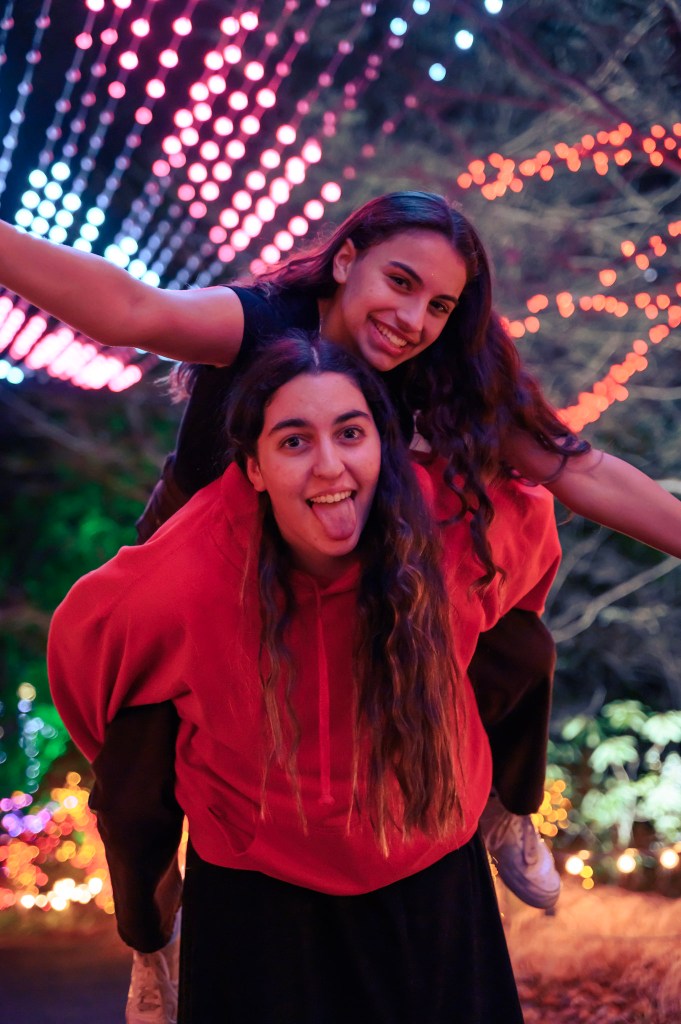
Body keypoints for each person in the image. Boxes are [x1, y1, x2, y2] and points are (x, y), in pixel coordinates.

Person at [48, 335, 563, 1024]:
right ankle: (150, 945)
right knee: (132, 777)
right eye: (294, 442)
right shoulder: (188, 570)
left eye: (350, 434)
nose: (329, 465)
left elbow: (530, 524)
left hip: (426, 869)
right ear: (254, 467)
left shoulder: (446, 525)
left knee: (524, 647)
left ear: (382, 444)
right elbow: (86, 642)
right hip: (259, 895)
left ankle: (509, 809)